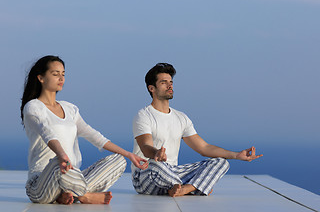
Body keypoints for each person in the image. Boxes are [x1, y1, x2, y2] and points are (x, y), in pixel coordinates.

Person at [21, 55, 148, 205]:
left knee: (119, 160)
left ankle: (67, 194)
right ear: (41, 78)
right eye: (55, 74)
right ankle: (83, 196)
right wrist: (62, 155)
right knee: (58, 164)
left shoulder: (70, 109)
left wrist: (129, 154)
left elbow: (94, 135)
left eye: (63, 74)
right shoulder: (33, 107)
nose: (61, 78)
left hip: (71, 176)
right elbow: (46, 132)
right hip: (41, 183)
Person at [131, 63, 263, 197]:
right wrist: (156, 153)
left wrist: (236, 155)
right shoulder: (143, 115)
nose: (170, 85)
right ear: (151, 88)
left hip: (173, 173)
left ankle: (183, 189)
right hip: (146, 175)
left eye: (171, 82)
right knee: (155, 165)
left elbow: (204, 148)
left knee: (221, 162)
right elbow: (145, 146)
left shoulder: (181, 118)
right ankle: (195, 187)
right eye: (164, 82)